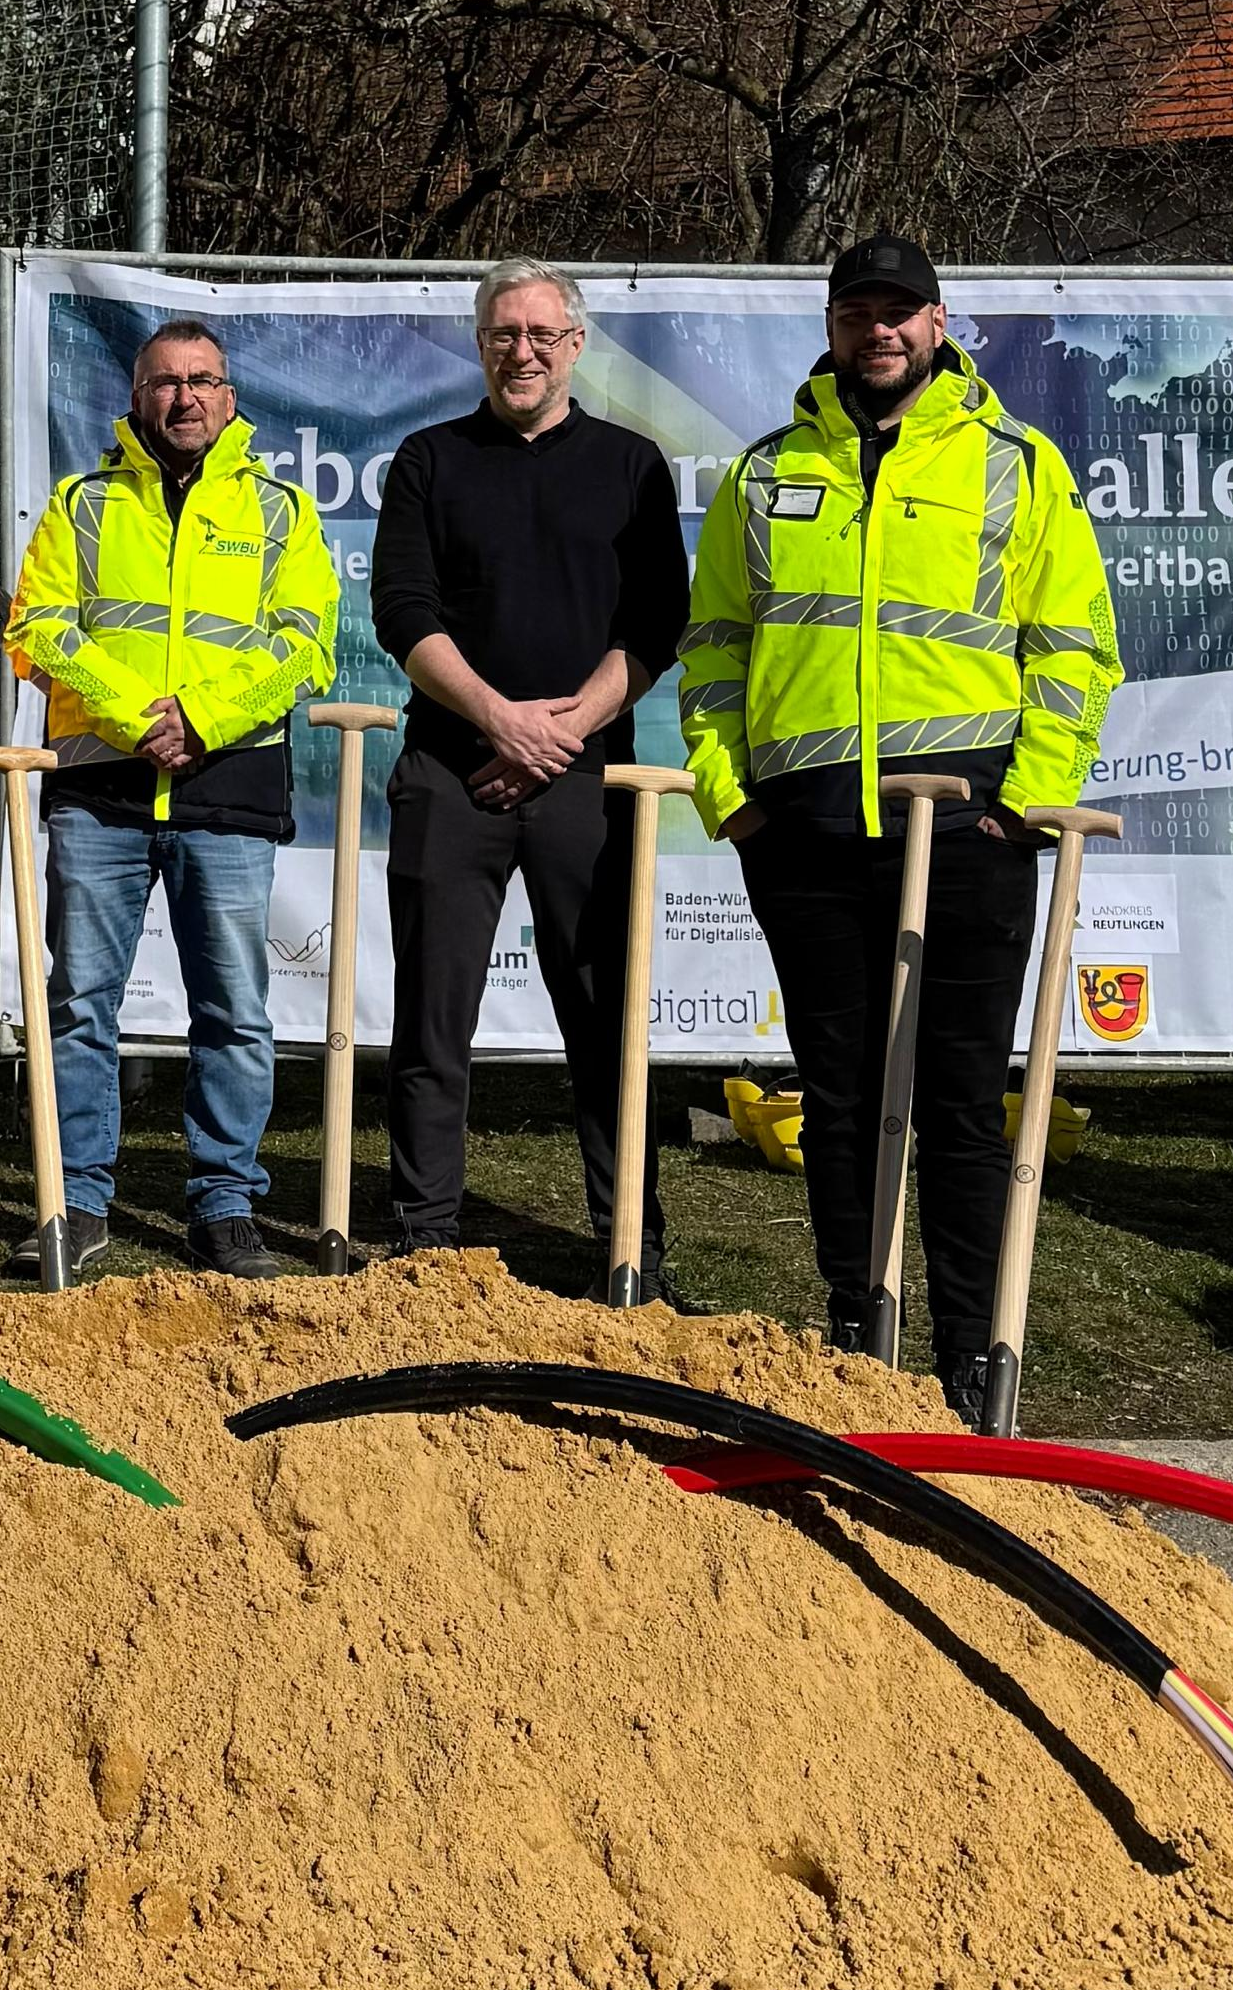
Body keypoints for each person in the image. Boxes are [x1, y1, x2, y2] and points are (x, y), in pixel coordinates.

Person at [679, 233, 1123, 1416]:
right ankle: (852, 1324)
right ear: (830, 326)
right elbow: (714, 642)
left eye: (899, 312)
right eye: (856, 311)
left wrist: (1023, 802)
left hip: (968, 835)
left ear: (938, 324)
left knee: (962, 1098)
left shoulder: (1015, 466)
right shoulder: (765, 473)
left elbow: (1074, 647)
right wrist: (733, 796)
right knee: (837, 1092)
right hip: (809, 838)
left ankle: (972, 1354)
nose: (879, 330)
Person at [369, 257, 687, 1291]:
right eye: (504, 333)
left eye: (542, 335)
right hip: (449, 770)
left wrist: (562, 733)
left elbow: (655, 625)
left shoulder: (633, 464)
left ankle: (630, 1244)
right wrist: (500, 721)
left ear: (575, 345)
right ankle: (423, 1241)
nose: (522, 352)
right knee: (431, 1017)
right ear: (479, 342)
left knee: (603, 1015)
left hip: (587, 783)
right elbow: (403, 613)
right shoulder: (426, 459)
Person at [4, 316, 339, 1280]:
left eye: (202, 381)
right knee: (79, 1005)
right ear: (137, 395)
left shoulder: (279, 510)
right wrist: (134, 719)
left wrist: (200, 718)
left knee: (233, 1007)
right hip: (101, 787)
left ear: (229, 397)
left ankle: (225, 1205)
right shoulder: (83, 501)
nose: (184, 397)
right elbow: (40, 629)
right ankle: (75, 1202)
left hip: (225, 787)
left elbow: (305, 642)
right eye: (165, 381)